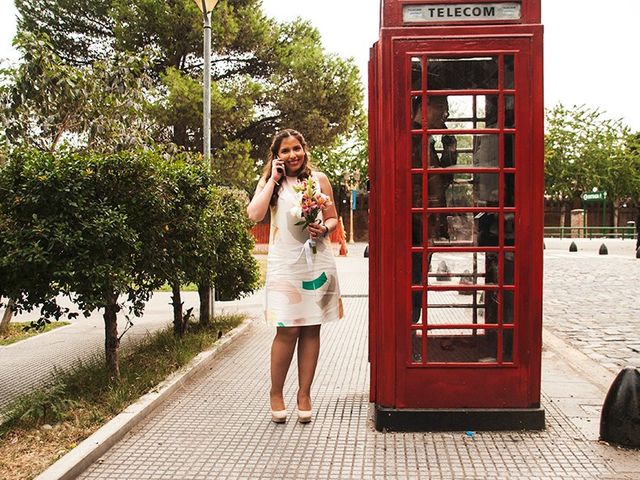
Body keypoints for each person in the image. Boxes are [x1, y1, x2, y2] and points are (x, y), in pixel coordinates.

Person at [246, 129, 344, 424]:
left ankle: (304, 394)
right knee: (287, 329)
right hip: (286, 265)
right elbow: (254, 214)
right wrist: (272, 180)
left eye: (296, 148)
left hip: (317, 260)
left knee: (312, 328)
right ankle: (276, 393)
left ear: (305, 149)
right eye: (285, 151)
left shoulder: (319, 180)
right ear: (276, 157)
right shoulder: (271, 183)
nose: (292, 155)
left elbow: (332, 217)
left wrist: (325, 229)